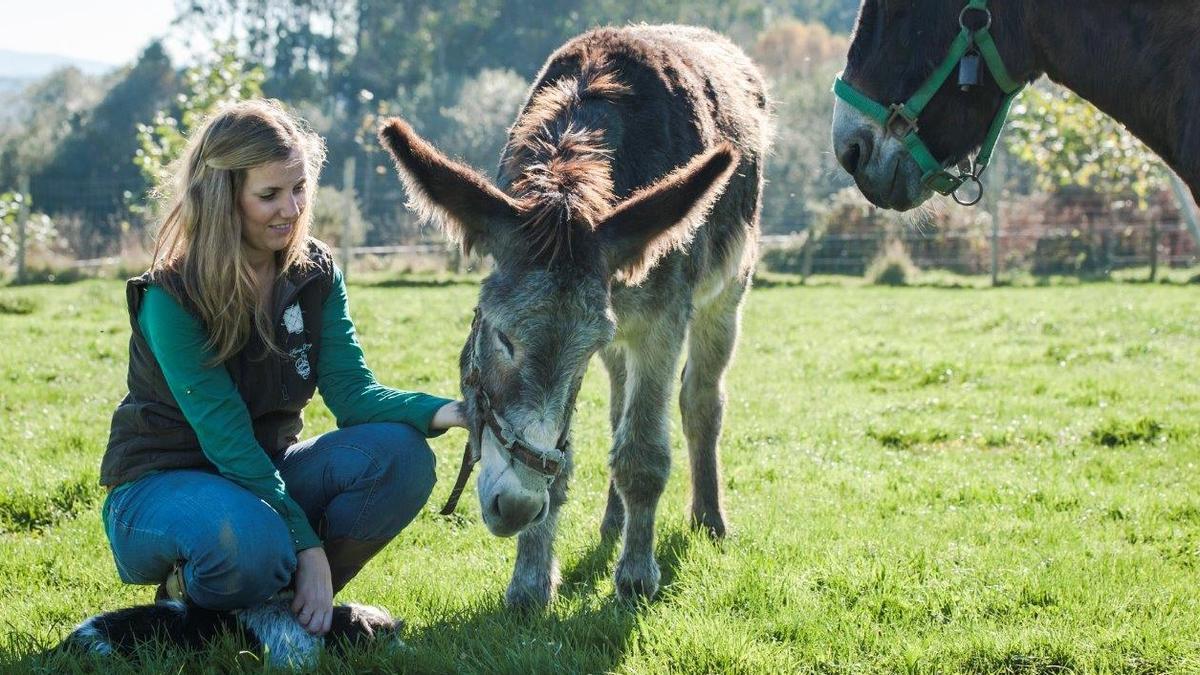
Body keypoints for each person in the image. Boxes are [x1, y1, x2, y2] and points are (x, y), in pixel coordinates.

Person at [98, 99, 466, 636]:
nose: (291, 209)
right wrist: (307, 544)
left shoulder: (314, 271)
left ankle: (280, 608)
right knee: (250, 540)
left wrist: (456, 411)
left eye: (298, 188)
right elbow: (227, 442)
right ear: (223, 198)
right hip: (161, 485)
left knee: (401, 459)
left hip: (263, 473)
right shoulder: (170, 297)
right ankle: (202, 598)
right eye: (268, 195)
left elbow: (355, 395)